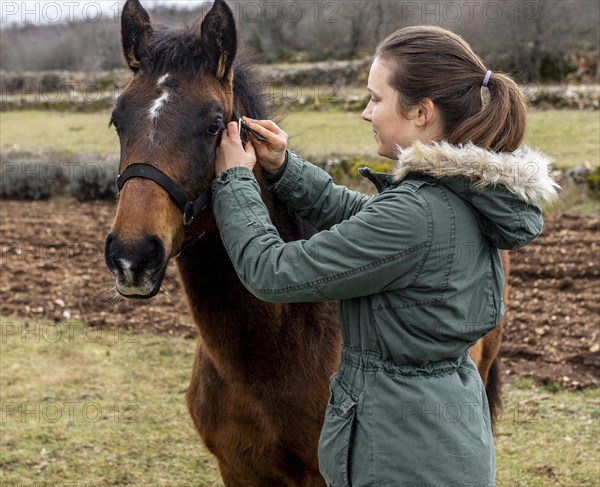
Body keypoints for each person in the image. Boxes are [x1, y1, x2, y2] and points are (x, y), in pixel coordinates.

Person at [211, 26, 558, 486]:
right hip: (439, 442)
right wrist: (284, 168)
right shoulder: (459, 194)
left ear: (420, 111)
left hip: (398, 457)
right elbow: (363, 217)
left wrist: (234, 180)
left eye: (376, 98)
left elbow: (272, 272)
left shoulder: (417, 212)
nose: (364, 112)